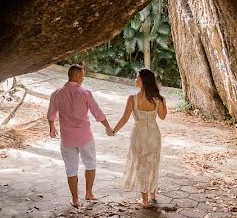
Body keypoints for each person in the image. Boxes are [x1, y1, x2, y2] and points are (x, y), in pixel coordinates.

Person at [47, 64, 115, 207]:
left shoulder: (56, 94)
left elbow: (51, 114)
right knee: (90, 163)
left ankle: (75, 199)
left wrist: (52, 128)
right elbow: (98, 113)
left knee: (71, 168)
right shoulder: (85, 93)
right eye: (82, 75)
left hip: (67, 138)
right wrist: (108, 127)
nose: (83, 78)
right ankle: (89, 193)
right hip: (85, 136)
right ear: (77, 76)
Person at [111, 68, 167, 208]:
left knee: (141, 165)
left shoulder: (133, 99)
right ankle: (153, 193)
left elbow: (124, 118)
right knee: (153, 162)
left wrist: (114, 130)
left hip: (139, 135)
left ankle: (145, 200)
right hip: (154, 134)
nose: (135, 80)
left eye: (137, 78)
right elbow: (162, 117)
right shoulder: (158, 99)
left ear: (144, 81)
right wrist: (162, 101)